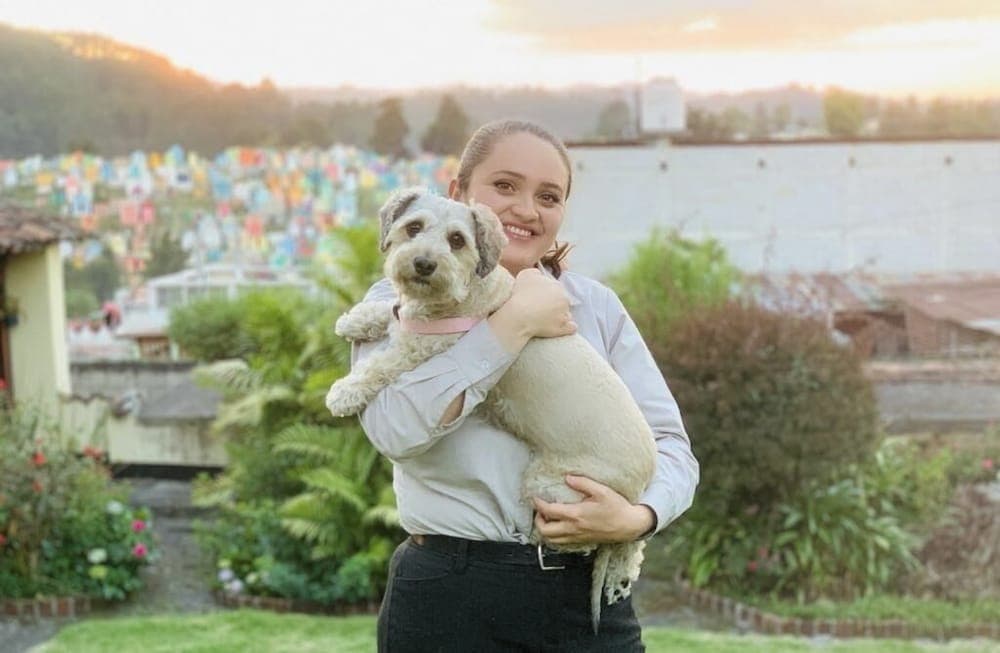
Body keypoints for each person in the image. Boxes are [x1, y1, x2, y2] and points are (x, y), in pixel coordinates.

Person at [351, 119, 699, 652]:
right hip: (448, 597)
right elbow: (393, 431)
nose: (526, 209)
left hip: (583, 600)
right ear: (458, 195)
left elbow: (671, 446)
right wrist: (509, 327)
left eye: (548, 196)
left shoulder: (594, 307)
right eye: (505, 185)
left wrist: (636, 517)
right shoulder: (399, 304)